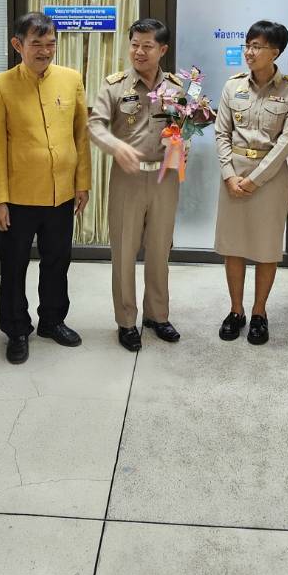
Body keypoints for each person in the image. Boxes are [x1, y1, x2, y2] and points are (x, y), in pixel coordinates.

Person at [0, 11, 90, 364]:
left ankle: (52, 320)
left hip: (61, 192)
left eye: (50, 44)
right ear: (18, 45)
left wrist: (83, 183)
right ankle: (16, 329)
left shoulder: (71, 79)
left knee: (58, 260)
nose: (45, 51)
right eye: (36, 44)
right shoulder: (0, 85)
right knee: (14, 265)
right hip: (16, 197)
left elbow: (81, 135)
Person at [88, 18, 184, 352]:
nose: (138, 52)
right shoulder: (114, 85)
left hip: (165, 177)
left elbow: (185, 124)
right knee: (125, 251)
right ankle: (126, 320)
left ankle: (157, 315)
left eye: (146, 46)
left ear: (162, 50)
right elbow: (95, 125)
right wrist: (116, 146)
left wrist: (187, 135)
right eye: (134, 44)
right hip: (127, 179)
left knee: (160, 250)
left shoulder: (177, 87)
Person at [213, 19, 288, 344]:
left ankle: (259, 312)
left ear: (275, 51)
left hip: (270, 179)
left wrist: (254, 180)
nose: (249, 52)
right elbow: (221, 132)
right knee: (233, 248)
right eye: (248, 45)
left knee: (266, 250)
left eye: (257, 46)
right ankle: (236, 310)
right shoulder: (232, 86)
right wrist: (229, 175)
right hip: (233, 176)